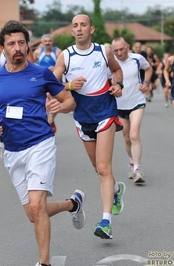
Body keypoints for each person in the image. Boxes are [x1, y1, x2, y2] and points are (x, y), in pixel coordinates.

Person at [0, 20, 85, 266]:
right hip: (12, 150)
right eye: (11, 44)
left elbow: (70, 101)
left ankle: (44, 262)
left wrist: (59, 106)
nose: (17, 47)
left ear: (28, 45)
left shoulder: (41, 74)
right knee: (33, 213)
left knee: (37, 205)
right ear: (2, 48)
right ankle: (73, 204)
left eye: (21, 42)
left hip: (41, 143)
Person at [53, 14, 126, 240]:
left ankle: (106, 222)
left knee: (104, 168)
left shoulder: (104, 51)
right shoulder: (66, 56)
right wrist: (68, 84)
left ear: (91, 29)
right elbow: (51, 84)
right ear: (72, 31)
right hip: (82, 118)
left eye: (83, 25)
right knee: (98, 168)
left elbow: (117, 71)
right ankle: (115, 191)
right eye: (75, 26)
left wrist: (118, 84)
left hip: (105, 112)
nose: (79, 29)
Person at [111, 37, 153, 183]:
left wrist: (146, 83)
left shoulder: (137, 58)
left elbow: (148, 69)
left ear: (127, 47)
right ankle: (131, 161)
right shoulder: (110, 62)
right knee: (127, 137)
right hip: (119, 104)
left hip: (137, 101)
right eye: (115, 50)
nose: (119, 52)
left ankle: (137, 169)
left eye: (121, 49)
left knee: (134, 135)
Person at [33, 34, 63, 133]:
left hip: (54, 81)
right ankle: (44, 121)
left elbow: (64, 65)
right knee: (43, 104)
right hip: (40, 82)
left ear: (52, 42)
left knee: (56, 103)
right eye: (45, 41)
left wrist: (56, 69)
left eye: (49, 41)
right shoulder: (37, 52)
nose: (47, 43)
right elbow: (31, 64)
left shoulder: (58, 52)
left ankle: (51, 120)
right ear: (42, 42)